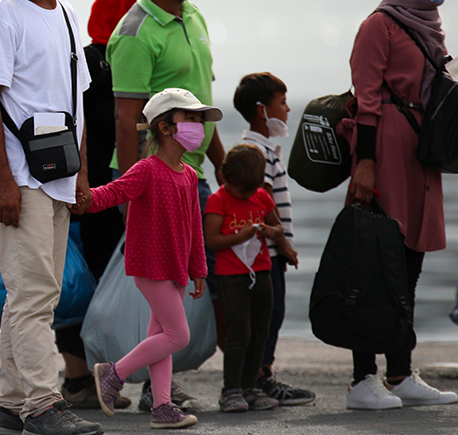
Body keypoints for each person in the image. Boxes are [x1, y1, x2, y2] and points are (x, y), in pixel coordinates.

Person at [0, 0, 99, 435]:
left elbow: (78, 103)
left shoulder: (67, 15)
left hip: (56, 174)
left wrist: (82, 176)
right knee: (33, 294)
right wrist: (3, 180)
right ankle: (45, 405)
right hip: (18, 178)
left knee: (31, 295)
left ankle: (12, 406)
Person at [343, 0, 458, 410]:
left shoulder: (427, 25)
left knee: (410, 262)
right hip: (385, 153)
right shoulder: (378, 26)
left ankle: (400, 372)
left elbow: (431, 83)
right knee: (374, 263)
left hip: (420, 156)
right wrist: (364, 162)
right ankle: (364, 379)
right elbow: (366, 99)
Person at [108, 0, 222, 412]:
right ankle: (118, 376)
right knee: (167, 301)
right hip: (155, 178)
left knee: (170, 297)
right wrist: (136, 191)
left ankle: (160, 400)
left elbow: (204, 101)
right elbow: (126, 117)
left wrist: (216, 164)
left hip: (190, 173)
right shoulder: (135, 32)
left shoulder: (192, 16)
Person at [89, 88, 218, 430]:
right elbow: (113, 192)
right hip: (150, 263)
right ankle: (113, 374)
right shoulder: (147, 169)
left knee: (161, 337)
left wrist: (197, 268)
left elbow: (194, 225)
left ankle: (162, 407)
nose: (197, 126)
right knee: (178, 335)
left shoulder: (189, 175)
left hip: (175, 267)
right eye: (189, 118)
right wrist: (82, 198)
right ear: (164, 127)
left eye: (198, 120)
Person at [56, 0, 143, 411]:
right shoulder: (101, 61)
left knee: (85, 283)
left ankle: (85, 377)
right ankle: (79, 378)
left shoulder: (93, 58)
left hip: (92, 187)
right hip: (95, 190)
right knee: (83, 282)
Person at [232, 72, 315, 406]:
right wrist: (283, 244)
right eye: (281, 103)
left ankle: (259, 373)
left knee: (271, 313)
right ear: (261, 110)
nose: (287, 109)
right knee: (270, 312)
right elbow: (262, 201)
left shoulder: (263, 147)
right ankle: (260, 375)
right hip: (264, 251)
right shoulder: (256, 151)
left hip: (267, 251)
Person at [203, 144, 293, 413]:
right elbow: (211, 239)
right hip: (231, 278)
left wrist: (270, 231)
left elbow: (278, 229)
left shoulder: (262, 197)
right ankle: (231, 390)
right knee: (238, 333)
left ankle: (251, 387)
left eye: (252, 190)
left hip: (261, 273)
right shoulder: (218, 200)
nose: (247, 195)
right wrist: (239, 237)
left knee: (259, 333)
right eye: (243, 191)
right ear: (226, 178)